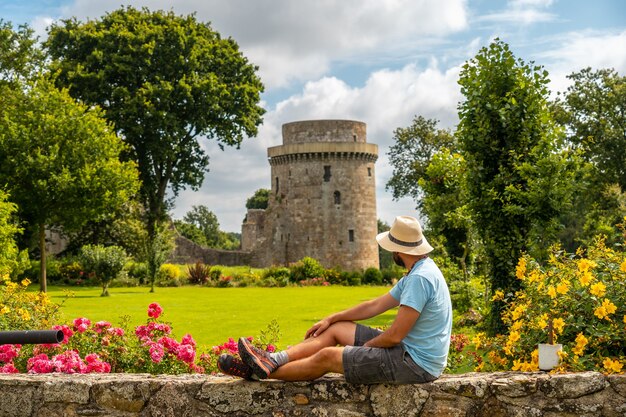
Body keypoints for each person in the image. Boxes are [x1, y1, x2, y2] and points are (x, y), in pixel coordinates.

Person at [217, 215, 452, 384]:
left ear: (398, 251)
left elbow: (395, 335)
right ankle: (272, 359)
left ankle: (258, 372)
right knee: (337, 329)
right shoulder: (419, 271)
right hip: (406, 352)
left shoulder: (420, 278)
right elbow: (376, 305)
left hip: (415, 364)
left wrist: (365, 349)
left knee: (328, 357)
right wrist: (331, 318)